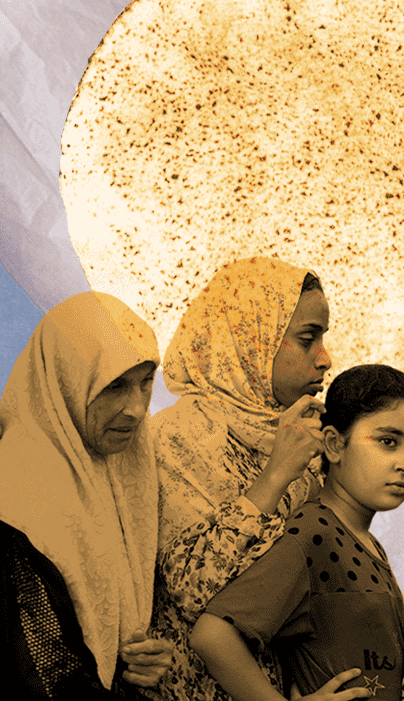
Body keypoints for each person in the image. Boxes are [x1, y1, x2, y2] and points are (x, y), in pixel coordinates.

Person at [0, 291, 177, 699]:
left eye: (146, 383)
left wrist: (140, 661)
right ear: (65, 380)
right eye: (114, 385)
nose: (136, 408)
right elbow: (44, 675)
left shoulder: (125, 470)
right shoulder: (21, 497)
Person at [149, 257, 334, 701]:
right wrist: (277, 475)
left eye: (323, 339)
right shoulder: (176, 436)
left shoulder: (302, 445)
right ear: (249, 340)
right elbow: (191, 588)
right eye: (307, 338)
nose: (325, 359)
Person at [192, 364, 404, 701]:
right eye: (388, 442)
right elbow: (212, 635)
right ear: (334, 445)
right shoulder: (314, 533)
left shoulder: (367, 543)